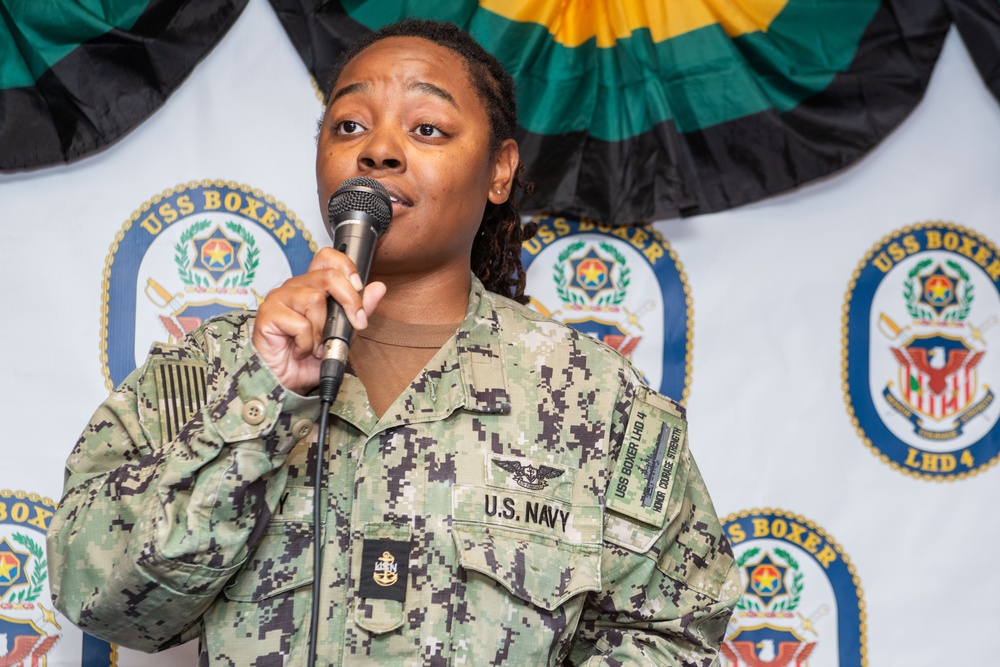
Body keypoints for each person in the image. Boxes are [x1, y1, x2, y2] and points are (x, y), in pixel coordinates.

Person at [47, 19, 740, 666]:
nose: (378, 149)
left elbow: (674, 628)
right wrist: (265, 401)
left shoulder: (595, 396)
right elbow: (96, 595)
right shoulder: (210, 371)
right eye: (349, 124)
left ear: (500, 170)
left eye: (429, 128)